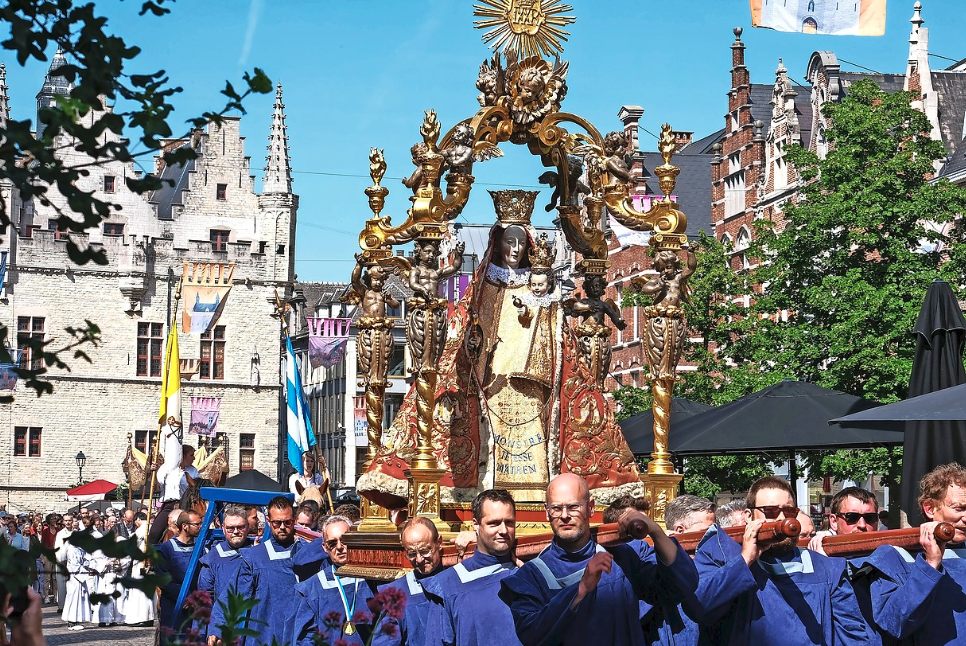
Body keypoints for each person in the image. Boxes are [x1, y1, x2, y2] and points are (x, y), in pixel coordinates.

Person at [358, 210, 642, 507]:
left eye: (521, 242)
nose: (515, 249)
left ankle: (539, 494)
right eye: (509, 242)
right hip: (492, 380)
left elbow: (555, 329)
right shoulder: (484, 287)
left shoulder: (541, 287)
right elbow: (467, 329)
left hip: (533, 378)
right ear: (498, 243)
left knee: (536, 435)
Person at [500, 474, 697, 646]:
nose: (565, 516)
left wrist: (654, 530)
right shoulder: (532, 575)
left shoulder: (621, 557)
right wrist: (580, 590)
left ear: (591, 508)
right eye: (556, 508)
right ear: (546, 512)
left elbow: (677, 588)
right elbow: (531, 634)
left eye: (573, 506)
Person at [689, 475, 869, 645]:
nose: (782, 519)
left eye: (789, 511)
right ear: (748, 517)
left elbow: (853, 636)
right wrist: (745, 560)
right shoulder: (721, 552)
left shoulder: (827, 569)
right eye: (770, 511)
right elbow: (698, 607)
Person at [859, 463, 966, 645]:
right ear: (930, 509)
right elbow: (894, 625)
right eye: (959, 508)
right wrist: (930, 566)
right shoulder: (893, 556)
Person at [423, 489, 521, 646]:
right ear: (476, 524)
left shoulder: (528, 572)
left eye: (509, 522)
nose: (503, 531)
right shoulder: (448, 585)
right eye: (494, 523)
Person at [209, 496, 301, 646]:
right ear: (269, 520)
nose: (282, 527)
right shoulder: (254, 558)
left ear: (294, 520)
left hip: (298, 636)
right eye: (277, 522)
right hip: (264, 635)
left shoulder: (308, 555)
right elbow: (233, 595)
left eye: (287, 522)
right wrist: (217, 628)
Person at [288, 515, 379, 646]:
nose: (340, 547)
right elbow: (306, 639)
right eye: (332, 543)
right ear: (325, 547)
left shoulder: (373, 579)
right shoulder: (311, 589)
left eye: (344, 540)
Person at [379, 517, 445, 646]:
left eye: (425, 551)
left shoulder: (457, 583)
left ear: (439, 542)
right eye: (412, 554)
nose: (419, 560)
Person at [155, 510, 202, 640]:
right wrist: (184, 596)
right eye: (196, 524)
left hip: (196, 605)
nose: (200, 527)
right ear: (184, 526)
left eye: (201, 523)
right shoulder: (166, 549)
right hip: (174, 605)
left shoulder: (202, 547)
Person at [809, 486, 880, 555]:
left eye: (870, 517)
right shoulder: (817, 553)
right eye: (852, 517)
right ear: (834, 522)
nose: (862, 525)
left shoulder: (888, 555)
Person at [149, 439, 195, 546]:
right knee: (154, 532)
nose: (194, 458)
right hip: (169, 506)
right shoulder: (165, 469)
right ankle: (151, 557)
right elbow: (155, 488)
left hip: (186, 506)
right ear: (182, 456)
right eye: (191, 455)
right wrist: (153, 474)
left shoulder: (193, 471)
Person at [121, 512, 155, 627]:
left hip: (141, 563)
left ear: (137, 520)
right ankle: (149, 617)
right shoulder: (152, 527)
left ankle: (143, 617)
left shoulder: (142, 529)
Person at [61, 534, 91, 630]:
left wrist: (88, 564)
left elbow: (86, 560)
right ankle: (72, 621)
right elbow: (75, 566)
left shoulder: (80, 549)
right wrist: (86, 570)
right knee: (74, 598)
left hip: (79, 577)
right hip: (75, 578)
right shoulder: (73, 550)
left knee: (78, 599)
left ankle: (76, 619)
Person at [54, 514, 75, 612]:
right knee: (61, 584)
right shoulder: (60, 534)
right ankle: (61, 606)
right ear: (63, 522)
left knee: (73, 585)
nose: (68, 522)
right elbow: (58, 549)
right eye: (66, 520)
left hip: (74, 562)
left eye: (69, 520)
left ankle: (72, 605)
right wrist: (62, 560)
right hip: (62, 562)